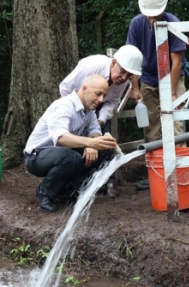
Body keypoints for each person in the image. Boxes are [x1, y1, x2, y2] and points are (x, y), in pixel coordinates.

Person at [24, 74, 119, 213]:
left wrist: (94, 143)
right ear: (84, 88)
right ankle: (45, 192)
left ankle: (69, 190)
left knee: (106, 149)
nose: (101, 100)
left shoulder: (89, 109)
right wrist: (91, 143)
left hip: (63, 153)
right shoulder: (64, 106)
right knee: (71, 157)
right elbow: (61, 137)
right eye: (98, 94)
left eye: (104, 96)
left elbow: (94, 130)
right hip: (36, 157)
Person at [59, 45, 143, 197]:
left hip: (101, 108)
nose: (124, 78)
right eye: (122, 71)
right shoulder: (90, 68)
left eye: (129, 75)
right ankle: (72, 184)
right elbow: (65, 88)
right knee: (76, 145)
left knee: (106, 143)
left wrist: (99, 122)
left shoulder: (123, 81)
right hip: (78, 103)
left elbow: (112, 102)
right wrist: (77, 115)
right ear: (113, 63)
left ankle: (108, 182)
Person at [126, 0, 187, 190]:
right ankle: (156, 174)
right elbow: (133, 58)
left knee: (176, 125)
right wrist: (135, 87)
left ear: (163, 9)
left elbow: (176, 61)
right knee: (151, 127)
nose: (153, 18)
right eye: (149, 14)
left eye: (157, 14)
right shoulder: (136, 24)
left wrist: (170, 92)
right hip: (148, 78)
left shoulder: (173, 23)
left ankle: (180, 173)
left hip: (172, 77)